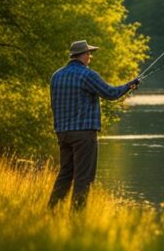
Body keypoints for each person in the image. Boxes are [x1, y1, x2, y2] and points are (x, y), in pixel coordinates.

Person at [48, 40, 140, 210]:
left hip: (62, 133)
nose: (90, 57)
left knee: (65, 175)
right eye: (89, 53)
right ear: (83, 55)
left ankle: (51, 210)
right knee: (84, 177)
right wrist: (129, 86)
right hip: (83, 135)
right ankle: (77, 216)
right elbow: (111, 94)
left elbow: (53, 104)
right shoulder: (87, 75)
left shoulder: (56, 76)